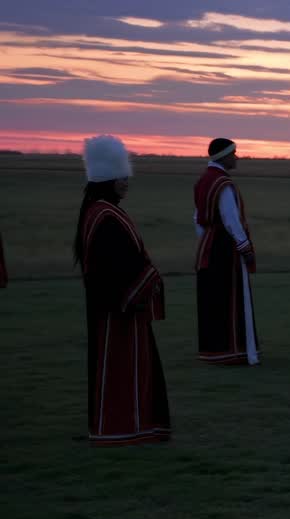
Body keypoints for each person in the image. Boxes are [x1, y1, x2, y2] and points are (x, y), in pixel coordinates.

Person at [75, 135, 171, 446]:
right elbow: (117, 265)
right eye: (121, 176)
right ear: (107, 179)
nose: (127, 180)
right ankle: (122, 427)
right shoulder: (105, 215)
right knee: (120, 367)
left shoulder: (98, 210)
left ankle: (131, 426)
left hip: (109, 306)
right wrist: (149, 279)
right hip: (117, 310)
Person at [194, 137, 260, 365]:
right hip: (225, 247)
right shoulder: (222, 183)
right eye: (233, 153)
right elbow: (231, 219)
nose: (237, 157)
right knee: (231, 296)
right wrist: (245, 247)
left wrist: (204, 242)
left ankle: (213, 350)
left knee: (212, 298)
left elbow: (197, 218)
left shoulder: (203, 180)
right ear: (223, 156)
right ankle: (232, 350)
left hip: (208, 245)